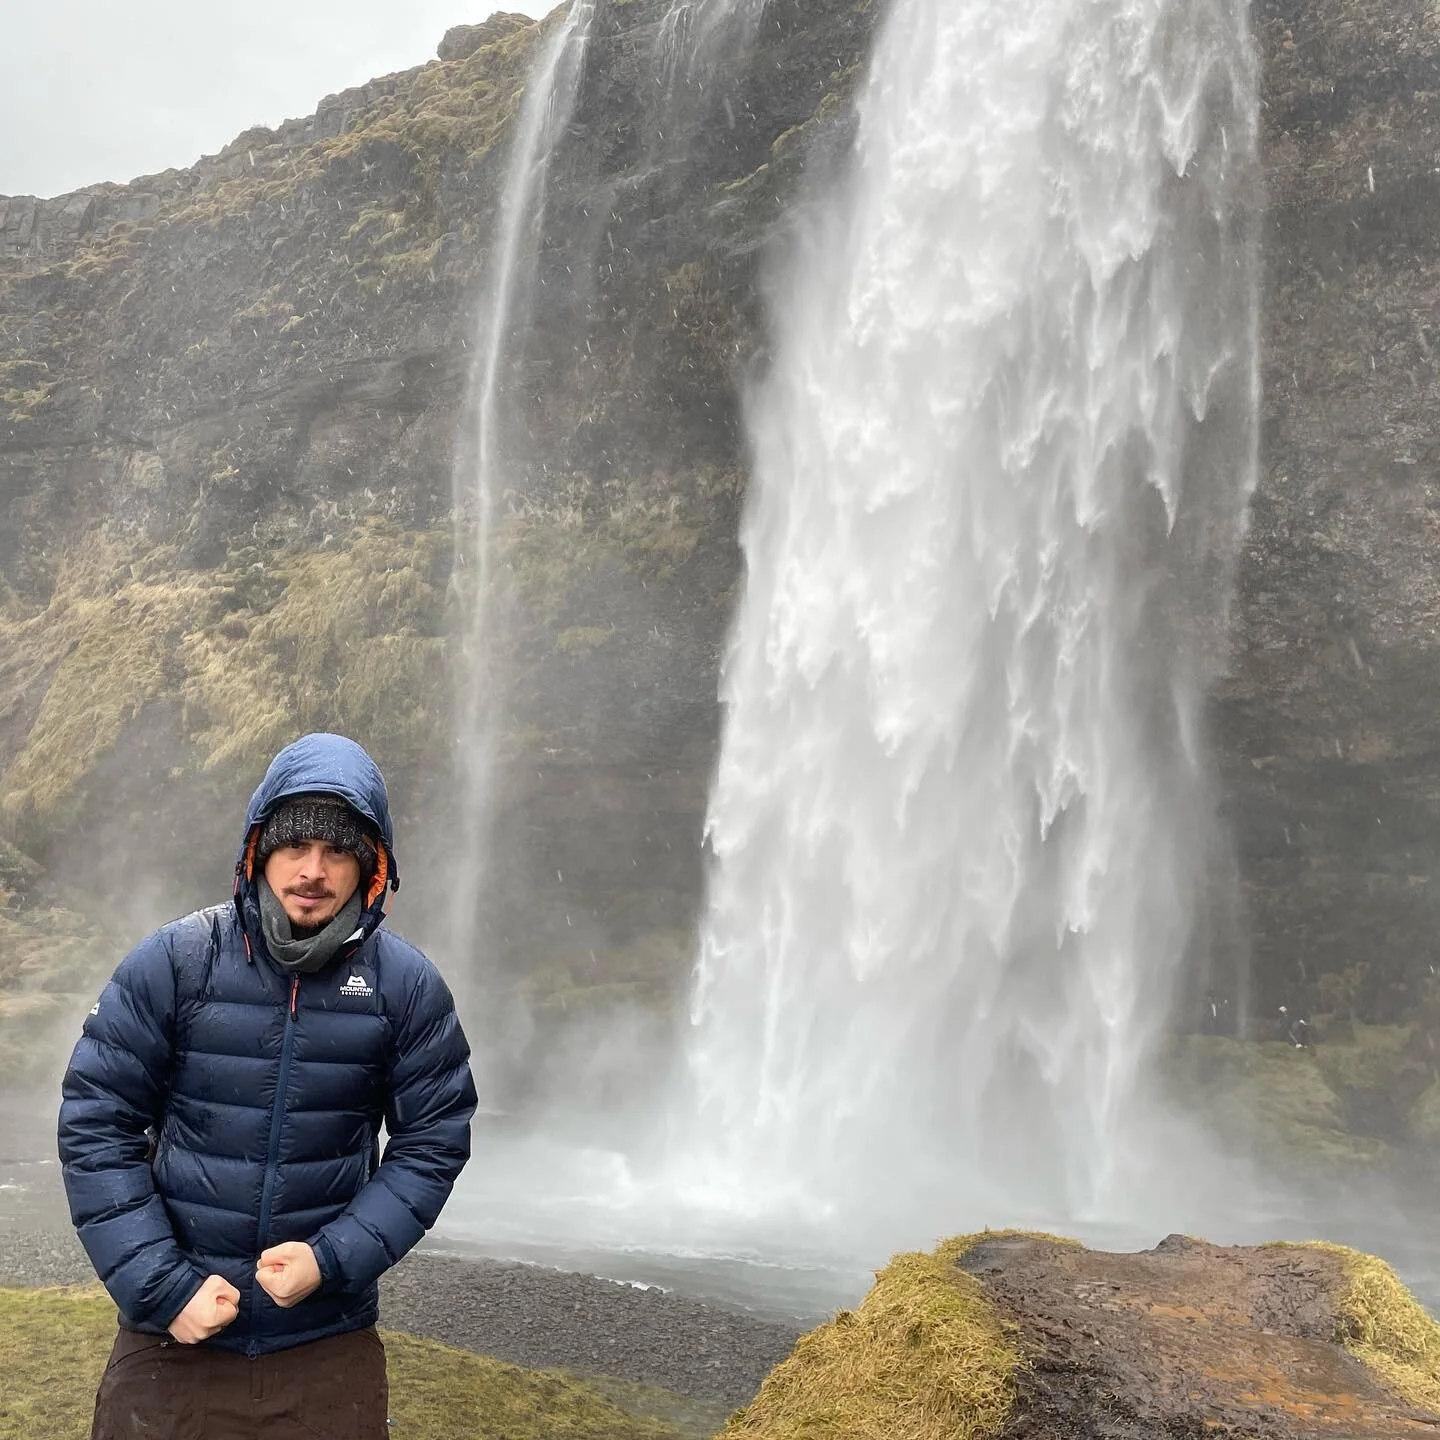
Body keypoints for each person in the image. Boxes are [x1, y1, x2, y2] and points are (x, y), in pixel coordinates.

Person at [58, 732, 477, 1440]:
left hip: (325, 1337)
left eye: (338, 850)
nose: (313, 870)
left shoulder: (405, 988)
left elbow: (433, 1141)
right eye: (295, 845)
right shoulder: (178, 961)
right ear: (258, 849)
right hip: (173, 1337)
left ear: (370, 869)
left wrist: (333, 1259)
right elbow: (96, 1120)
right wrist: (163, 1287)